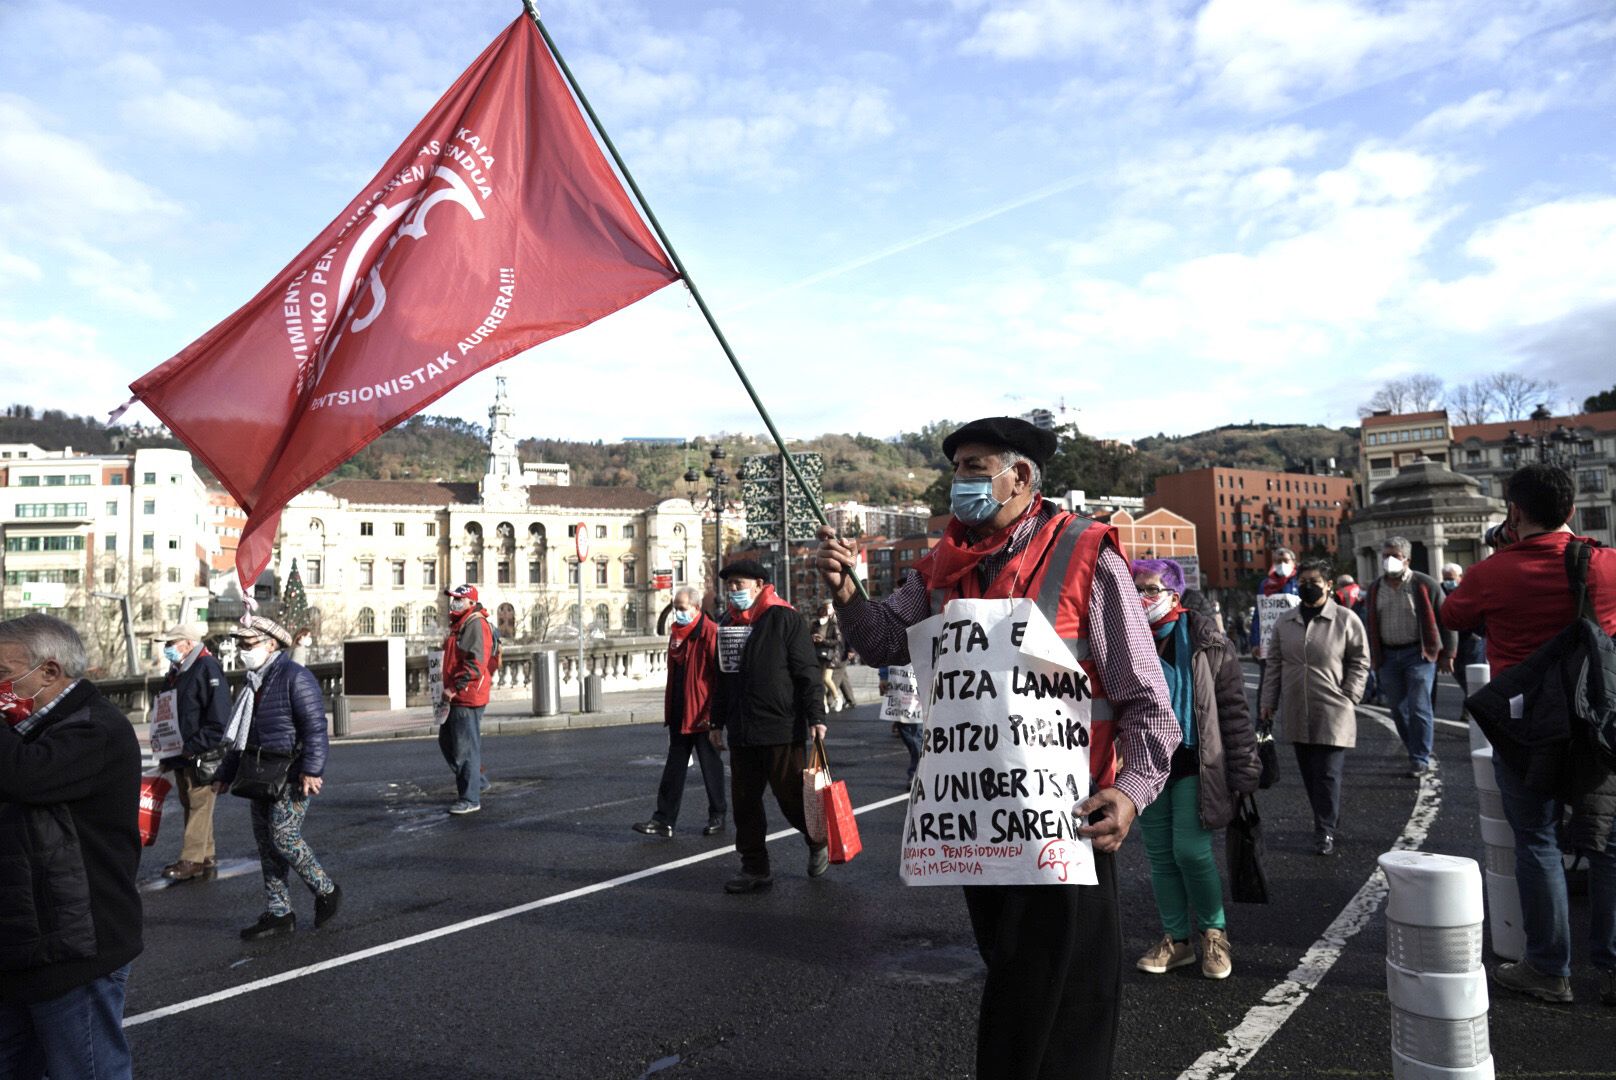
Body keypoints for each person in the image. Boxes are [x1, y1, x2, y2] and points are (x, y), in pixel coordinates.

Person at [817, 416, 1177, 1080]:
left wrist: (1130, 793)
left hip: (1069, 818)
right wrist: (846, 593)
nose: (960, 483)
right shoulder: (941, 567)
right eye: (955, 470)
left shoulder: (1085, 552)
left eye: (975, 469)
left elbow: (1145, 695)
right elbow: (884, 639)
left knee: (1064, 998)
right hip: (980, 821)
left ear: (1021, 476)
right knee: (1017, 975)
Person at [1441, 463, 1616, 1007]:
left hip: (1525, 727)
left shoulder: (1492, 573)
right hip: (1596, 721)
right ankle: (1612, 966)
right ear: (1571, 510)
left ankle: (1548, 968)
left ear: (1514, 512)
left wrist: (1501, 553)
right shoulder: (1606, 564)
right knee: (1609, 843)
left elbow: (1453, 613)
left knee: (1537, 840)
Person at [0, 614, 142, 1079]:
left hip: (77, 946)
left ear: (49, 671)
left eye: (3, 674)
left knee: (86, 1070)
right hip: (25, 940)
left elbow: (25, 776)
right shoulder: (27, 727)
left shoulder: (94, 728)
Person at [1130, 559, 1261, 981]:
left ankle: (1214, 933)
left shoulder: (1207, 641)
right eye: (1136, 589)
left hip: (1195, 762)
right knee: (1160, 856)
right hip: (1146, 763)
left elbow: (1234, 712)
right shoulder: (1127, 637)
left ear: (1175, 595)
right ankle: (1177, 940)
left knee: (1190, 850)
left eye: (1151, 589)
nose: (1142, 598)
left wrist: (1245, 770)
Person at [213, 616, 340, 939]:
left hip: (291, 773)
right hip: (258, 772)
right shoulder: (253, 683)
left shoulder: (295, 677)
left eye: (249, 644)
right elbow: (241, 736)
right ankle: (279, 912)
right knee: (266, 844)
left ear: (271, 644)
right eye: (241, 645)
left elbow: (315, 727)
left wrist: (312, 769)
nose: (243, 650)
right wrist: (225, 773)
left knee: (284, 837)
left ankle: (326, 889)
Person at [708, 559, 828, 894]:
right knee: (744, 803)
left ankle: (817, 839)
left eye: (739, 584)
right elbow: (722, 679)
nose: (733, 590)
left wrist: (816, 717)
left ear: (760, 584)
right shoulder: (727, 624)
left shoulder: (785, 618)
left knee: (791, 798)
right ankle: (754, 868)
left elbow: (807, 671)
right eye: (729, 585)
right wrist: (716, 721)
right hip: (742, 729)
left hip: (780, 727)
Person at [1260, 560, 1370, 856]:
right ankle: (1326, 817)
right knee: (1309, 773)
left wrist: (1350, 695)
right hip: (1297, 707)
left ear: (1328, 586)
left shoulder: (1346, 619)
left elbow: (1360, 661)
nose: (1308, 587)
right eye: (1304, 582)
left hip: (1333, 707)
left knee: (1328, 773)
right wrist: (1268, 701)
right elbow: (1274, 665)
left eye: (1315, 582)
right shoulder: (1286, 621)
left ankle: (1324, 830)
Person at [634, 587, 726, 839]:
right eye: (676, 608)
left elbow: (718, 678)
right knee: (674, 768)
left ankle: (718, 815)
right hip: (679, 711)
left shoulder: (710, 632)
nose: (678, 613)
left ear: (696, 608)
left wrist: (714, 714)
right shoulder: (677, 634)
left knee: (710, 767)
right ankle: (663, 820)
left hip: (702, 712)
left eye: (682, 608)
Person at [1364, 536, 1454, 777]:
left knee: (1419, 707)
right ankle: (1414, 747)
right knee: (1397, 709)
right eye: (1385, 556)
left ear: (1407, 559)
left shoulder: (1424, 584)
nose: (1389, 560)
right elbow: (1369, 623)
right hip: (1388, 656)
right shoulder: (1375, 588)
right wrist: (1371, 655)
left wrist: (1448, 654)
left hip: (1419, 654)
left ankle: (1420, 758)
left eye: (1395, 556)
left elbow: (1446, 619)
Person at [155, 621, 230, 883]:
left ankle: (192, 859)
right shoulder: (178, 671)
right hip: (181, 751)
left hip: (199, 752)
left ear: (188, 644)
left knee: (198, 803)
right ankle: (206, 854)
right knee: (193, 803)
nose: (167, 648)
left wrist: (193, 746)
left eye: (171, 643)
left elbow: (218, 717)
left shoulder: (206, 667)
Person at [439, 584, 494, 815]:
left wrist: (454, 687)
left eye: (459, 599)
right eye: (453, 598)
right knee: (448, 742)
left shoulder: (474, 624)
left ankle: (470, 798)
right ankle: (477, 782)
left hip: (466, 695)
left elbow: (475, 663)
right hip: (458, 695)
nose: (454, 603)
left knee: (465, 748)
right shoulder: (461, 623)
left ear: (471, 602)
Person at [1437, 563, 1486, 708]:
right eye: (1446, 578)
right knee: (1458, 672)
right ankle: (1471, 702)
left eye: (1451, 578)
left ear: (1460, 577)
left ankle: (1471, 707)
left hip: (1472, 638)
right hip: (1452, 640)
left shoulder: (1470, 589)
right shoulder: (1440, 591)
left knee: (1473, 673)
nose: (1448, 582)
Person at [1248, 547, 1299, 661]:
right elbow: (1259, 615)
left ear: (1293, 562)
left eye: (1285, 561)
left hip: (1294, 643)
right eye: (1278, 561)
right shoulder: (1265, 585)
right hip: (1270, 643)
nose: (1282, 564)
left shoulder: (1299, 583)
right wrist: (1255, 642)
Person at [810, 599, 847, 712]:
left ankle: (837, 698)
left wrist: (823, 640)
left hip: (831, 656)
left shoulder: (833, 624)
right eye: (823, 610)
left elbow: (837, 641)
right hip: (818, 655)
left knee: (826, 678)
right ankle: (824, 704)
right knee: (821, 681)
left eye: (827, 609)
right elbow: (809, 637)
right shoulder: (815, 624)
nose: (824, 612)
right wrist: (813, 638)